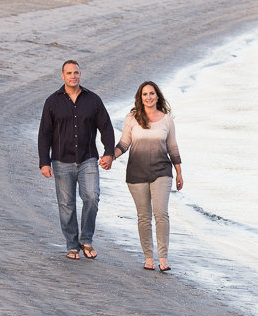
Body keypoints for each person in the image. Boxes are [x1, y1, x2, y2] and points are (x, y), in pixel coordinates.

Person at [38, 59, 115, 260]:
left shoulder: (93, 100)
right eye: (69, 73)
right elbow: (44, 133)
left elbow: (106, 127)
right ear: (62, 76)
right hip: (61, 161)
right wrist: (44, 162)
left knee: (92, 197)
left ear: (80, 75)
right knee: (67, 204)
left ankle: (86, 239)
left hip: (88, 158)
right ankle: (72, 245)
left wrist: (109, 153)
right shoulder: (52, 102)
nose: (73, 76)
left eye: (76, 73)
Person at [113, 81, 183, 273]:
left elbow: (173, 148)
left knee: (161, 213)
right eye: (145, 94)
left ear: (157, 96)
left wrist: (179, 172)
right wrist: (110, 157)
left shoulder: (166, 120)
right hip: (137, 173)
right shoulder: (132, 118)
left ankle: (163, 258)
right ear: (140, 97)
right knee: (144, 217)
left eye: (152, 93)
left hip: (162, 172)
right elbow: (124, 143)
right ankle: (148, 258)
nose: (149, 97)